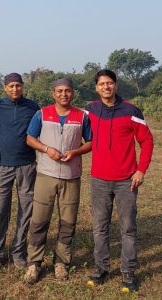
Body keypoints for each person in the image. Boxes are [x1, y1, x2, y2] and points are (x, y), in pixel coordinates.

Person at [85, 69, 154, 292]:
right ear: (96, 87)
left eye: (110, 83)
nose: (106, 87)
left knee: (128, 228)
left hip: (126, 180)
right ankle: (101, 268)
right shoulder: (90, 110)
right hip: (99, 180)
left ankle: (128, 272)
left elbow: (147, 141)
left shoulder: (131, 110)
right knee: (100, 227)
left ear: (116, 85)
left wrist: (141, 170)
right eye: (102, 84)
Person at [23, 78, 92, 284]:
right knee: (39, 221)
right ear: (53, 93)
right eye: (60, 91)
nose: (64, 94)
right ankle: (34, 263)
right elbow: (29, 138)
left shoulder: (82, 116)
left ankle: (61, 261)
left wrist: (76, 151)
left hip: (71, 176)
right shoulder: (42, 114)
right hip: (46, 174)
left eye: (68, 91)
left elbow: (91, 142)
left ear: (73, 93)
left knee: (68, 222)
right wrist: (46, 149)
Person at [0, 73, 40, 272]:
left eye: (18, 85)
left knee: (26, 210)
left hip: (27, 165)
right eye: (11, 86)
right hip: (3, 166)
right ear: (4, 88)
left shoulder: (33, 107)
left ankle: (18, 253)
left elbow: (41, 131)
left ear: (23, 86)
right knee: (0, 210)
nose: (15, 89)